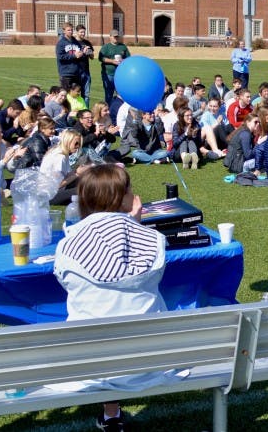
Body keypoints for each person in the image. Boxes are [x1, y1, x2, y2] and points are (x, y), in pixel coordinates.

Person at [54, 165, 165, 432]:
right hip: (150, 361)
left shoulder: (68, 245)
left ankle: (111, 413)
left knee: (98, 319)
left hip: (88, 364)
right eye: (129, 189)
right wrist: (134, 225)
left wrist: (131, 225)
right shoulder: (155, 241)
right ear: (121, 197)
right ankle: (111, 413)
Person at [97, 29, 130, 102]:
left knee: (121, 94)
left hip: (120, 74)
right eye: (114, 37)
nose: (116, 38)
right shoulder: (106, 47)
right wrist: (112, 61)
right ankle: (108, 110)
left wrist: (122, 60)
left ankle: (119, 110)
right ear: (110, 37)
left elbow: (128, 58)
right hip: (108, 74)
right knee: (109, 94)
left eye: (117, 37)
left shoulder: (123, 47)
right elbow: (101, 58)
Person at [55, 22, 85, 91]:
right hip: (66, 74)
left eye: (72, 30)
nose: (71, 32)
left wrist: (82, 53)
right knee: (65, 95)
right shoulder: (61, 43)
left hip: (76, 73)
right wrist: (74, 55)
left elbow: (79, 54)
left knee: (75, 94)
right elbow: (60, 57)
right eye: (68, 30)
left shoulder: (76, 42)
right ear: (64, 31)